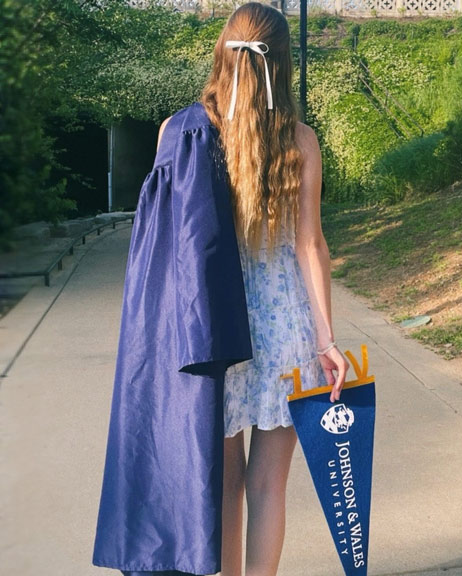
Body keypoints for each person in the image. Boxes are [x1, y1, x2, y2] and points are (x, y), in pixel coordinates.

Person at [190, 3, 349, 575]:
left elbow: (165, 245)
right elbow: (311, 246)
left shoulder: (185, 133)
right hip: (286, 325)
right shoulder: (300, 140)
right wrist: (327, 340)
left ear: (222, 53)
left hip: (217, 324)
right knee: (269, 487)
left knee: (225, 484)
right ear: (281, 63)